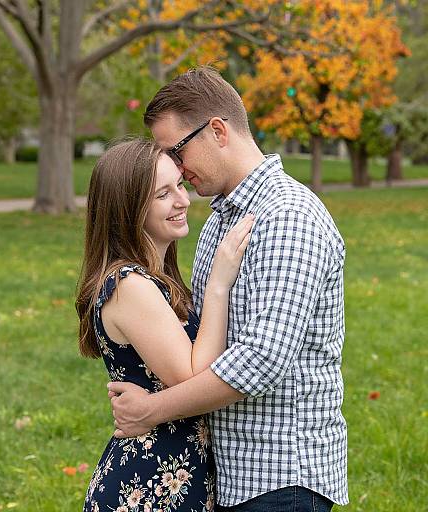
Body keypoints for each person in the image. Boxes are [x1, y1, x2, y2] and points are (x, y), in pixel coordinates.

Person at [108, 67, 349, 512]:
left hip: (281, 477)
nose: (176, 169)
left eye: (176, 152)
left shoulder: (288, 216)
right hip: (231, 473)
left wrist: (153, 410)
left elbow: (262, 360)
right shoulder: (222, 218)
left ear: (217, 130)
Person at [76, 138, 253, 511]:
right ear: (128, 207)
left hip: (172, 479)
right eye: (162, 194)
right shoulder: (129, 285)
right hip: (148, 486)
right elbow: (192, 376)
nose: (183, 200)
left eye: (180, 185)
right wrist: (219, 284)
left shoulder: (152, 280)